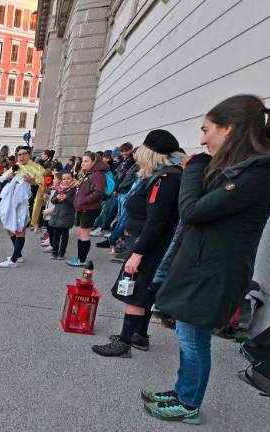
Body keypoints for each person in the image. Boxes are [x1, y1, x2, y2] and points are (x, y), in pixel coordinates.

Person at [142, 95, 270, 424]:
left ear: (228, 129)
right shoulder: (245, 170)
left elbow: (193, 210)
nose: (201, 139)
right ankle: (183, 390)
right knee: (190, 336)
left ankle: (188, 404)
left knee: (193, 338)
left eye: (206, 130)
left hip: (215, 271)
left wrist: (196, 168)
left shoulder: (258, 175)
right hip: (206, 266)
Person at [91, 130, 184, 358]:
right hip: (148, 241)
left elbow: (157, 221)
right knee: (143, 290)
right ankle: (138, 335)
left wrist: (138, 253)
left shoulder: (165, 179)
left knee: (134, 290)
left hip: (148, 243)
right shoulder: (164, 176)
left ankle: (124, 342)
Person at [0, 146, 44, 268]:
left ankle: (13, 260)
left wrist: (32, 182)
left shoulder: (36, 168)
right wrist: (9, 175)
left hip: (23, 203)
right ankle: (19, 255)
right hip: (9, 202)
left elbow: (41, 184)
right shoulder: (16, 166)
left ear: (29, 155)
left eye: (23, 154)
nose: (21, 157)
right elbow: (2, 178)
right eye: (19, 154)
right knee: (8, 228)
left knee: (19, 230)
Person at [66, 152, 107, 267]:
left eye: (86, 161)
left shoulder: (97, 174)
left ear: (94, 162)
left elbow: (99, 192)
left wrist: (83, 200)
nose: (82, 163)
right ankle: (79, 257)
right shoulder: (88, 173)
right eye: (82, 161)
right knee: (80, 233)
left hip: (89, 209)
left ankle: (82, 260)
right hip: (82, 208)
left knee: (84, 234)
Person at [46, 172, 77, 260]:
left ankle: (61, 253)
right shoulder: (59, 188)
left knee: (64, 236)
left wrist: (66, 198)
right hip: (57, 215)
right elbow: (53, 200)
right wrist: (58, 198)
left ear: (72, 179)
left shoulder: (75, 189)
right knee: (55, 235)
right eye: (64, 179)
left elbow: (74, 202)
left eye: (68, 178)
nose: (66, 180)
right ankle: (54, 252)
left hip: (67, 215)